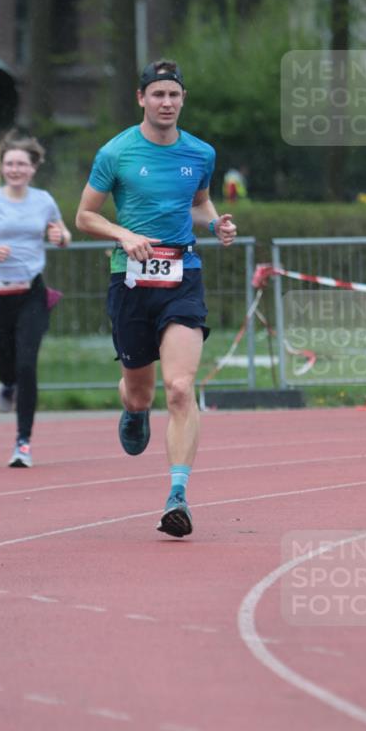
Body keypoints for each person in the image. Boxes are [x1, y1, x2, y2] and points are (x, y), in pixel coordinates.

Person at [76, 59, 236, 538]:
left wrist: (215, 223)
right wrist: (123, 234)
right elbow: (84, 216)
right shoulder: (116, 152)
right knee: (141, 390)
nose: (166, 103)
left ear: (183, 99)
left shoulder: (200, 152)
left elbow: (199, 201)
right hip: (132, 280)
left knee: (181, 387)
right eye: (157, 95)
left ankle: (178, 496)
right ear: (141, 99)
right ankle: (133, 410)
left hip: (182, 275)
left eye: (174, 95)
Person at [0, 131, 71, 467]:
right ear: (2, 166)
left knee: (27, 365)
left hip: (31, 294)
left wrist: (60, 236)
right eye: (9, 163)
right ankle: (6, 383)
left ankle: (22, 443)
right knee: (6, 364)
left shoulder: (44, 201)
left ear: (33, 168)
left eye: (21, 163)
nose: (15, 169)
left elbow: (62, 235)